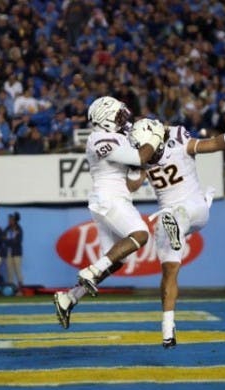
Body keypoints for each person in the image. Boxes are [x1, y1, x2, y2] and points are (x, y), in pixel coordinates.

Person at [125, 119, 225, 347]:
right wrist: (137, 164)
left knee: (176, 214)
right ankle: (167, 328)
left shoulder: (177, 138)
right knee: (169, 271)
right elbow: (132, 186)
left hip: (195, 208)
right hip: (170, 215)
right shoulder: (142, 156)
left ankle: (174, 225)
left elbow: (209, 144)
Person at [53, 97, 163, 329]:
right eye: (118, 115)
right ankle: (91, 271)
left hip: (112, 199)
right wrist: (155, 135)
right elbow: (140, 156)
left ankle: (70, 297)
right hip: (108, 199)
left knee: (115, 261)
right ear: (105, 119)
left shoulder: (118, 138)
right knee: (141, 234)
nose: (123, 119)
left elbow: (133, 182)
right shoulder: (100, 138)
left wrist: (145, 164)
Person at [3, 212, 23, 294]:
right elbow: (3, 239)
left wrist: (9, 240)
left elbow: (18, 241)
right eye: (9, 220)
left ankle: (21, 290)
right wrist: (11, 240)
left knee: (18, 271)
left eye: (11, 220)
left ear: (14, 220)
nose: (9, 221)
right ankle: (10, 290)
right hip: (9, 253)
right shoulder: (7, 229)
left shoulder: (19, 229)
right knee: (9, 272)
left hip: (17, 253)